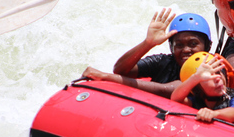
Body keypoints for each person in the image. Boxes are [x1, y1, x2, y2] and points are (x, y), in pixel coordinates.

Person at [82, 8, 212, 98]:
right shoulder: (165, 61)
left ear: (207, 46)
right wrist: (148, 43)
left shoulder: (212, 68)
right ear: (171, 48)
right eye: (179, 45)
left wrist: (105, 76)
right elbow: (121, 70)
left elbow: (165, 90)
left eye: (193, 44)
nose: (186, 50)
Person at [171, 51, 234, 129]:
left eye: (218, 73)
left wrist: (214, 114)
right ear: (197, 89)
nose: (217, 78)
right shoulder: (197, 100)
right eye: (208, 77)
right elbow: (176, 100)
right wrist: (195, 78)